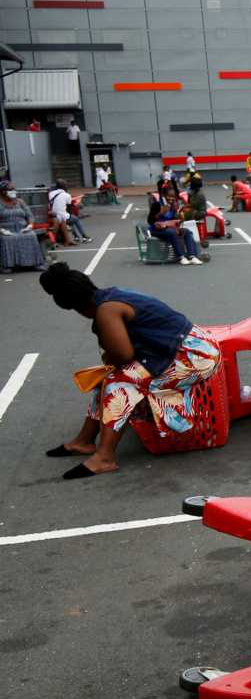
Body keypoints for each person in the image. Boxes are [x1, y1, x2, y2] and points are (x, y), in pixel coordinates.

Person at [39, 262, 222, 479]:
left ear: (73, 306)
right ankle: (84, 441)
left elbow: (123, 354)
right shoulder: (109, 296)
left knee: (119, 382)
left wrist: (110, 364)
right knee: (108, 378)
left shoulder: (106, 310)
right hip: (182, 347)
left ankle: (105, 457)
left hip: (194, 355)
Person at [147, 181, 203, 264]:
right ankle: (181, 257)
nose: (171, 199)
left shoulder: (173, 206)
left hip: (169, 228)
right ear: (164, 196)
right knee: (173, 233)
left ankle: (192, 256)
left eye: (173, 197)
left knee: (187, 232)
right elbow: (150, 221)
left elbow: (173, 221)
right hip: (156, 229)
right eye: (169, 196)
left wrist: (179, 218)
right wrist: (160, 213)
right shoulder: (157, 205)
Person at [0, 182, 48, 273]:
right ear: (3, 191)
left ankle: (35, 264)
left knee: (31, 236)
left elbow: (30, 216)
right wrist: (2, 230)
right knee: (8, 239)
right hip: (6, 230)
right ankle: (7, 265)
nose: (13, 191)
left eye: (14, 189)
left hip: (22, 228)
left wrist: (30, 226)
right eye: (11, 190)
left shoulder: (20, 202)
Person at [49, 180, 88, 245]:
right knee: (75, 219)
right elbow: (69, 208)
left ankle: (73, 238)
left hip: (53, 213)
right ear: (64, 187)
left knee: (68, 219)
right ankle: (84, 236)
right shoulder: (67, 195)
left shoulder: (51, 193)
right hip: (61, 215)